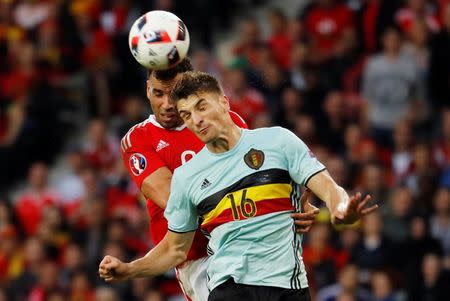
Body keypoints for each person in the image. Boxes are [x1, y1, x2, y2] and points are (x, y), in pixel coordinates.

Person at [99, 71, 378, 300]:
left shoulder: (276, 141)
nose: (195, 120)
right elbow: (174, 247)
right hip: (220, 278)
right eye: (187, 115)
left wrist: (336, 207)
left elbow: (327, 187)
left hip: (284, 281)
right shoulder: (186, 175)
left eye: (201, 107)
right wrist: (129, 269)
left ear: (224, 102)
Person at [119, 60, 319, 300]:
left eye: (173, 94)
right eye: (158, 93)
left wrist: (291, 204)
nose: (167, 104)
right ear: (147, 89)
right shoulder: (139, 139)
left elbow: (256, 176)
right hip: (198, 260)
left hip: (248, 245)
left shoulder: (227, 121)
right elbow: (174, 200)